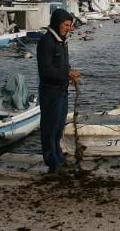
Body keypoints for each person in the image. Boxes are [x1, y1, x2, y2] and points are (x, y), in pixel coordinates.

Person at [37, 9, 80, 173]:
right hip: (50, 92)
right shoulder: (46, 42)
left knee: (58, 128)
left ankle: (59, 159)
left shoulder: (62, 41)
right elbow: (45, 70)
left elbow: (62, 65)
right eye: (66, 25)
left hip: (62, 90)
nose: (69, 28)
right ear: (57, 23)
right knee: (50, 128)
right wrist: (67, 74)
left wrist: (69, 75)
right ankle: (52, 163)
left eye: (70, 25)